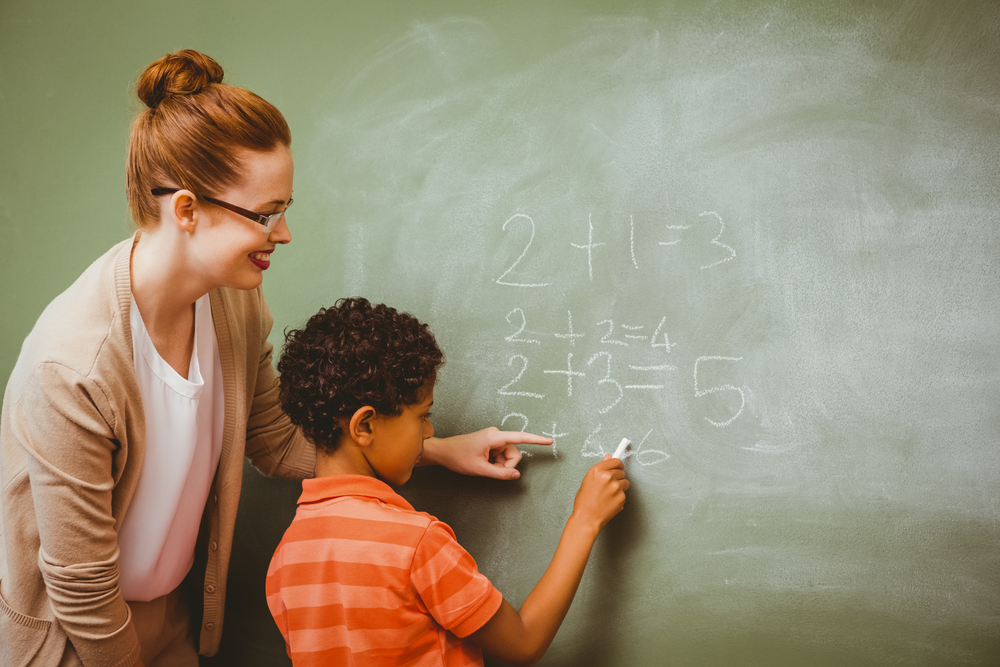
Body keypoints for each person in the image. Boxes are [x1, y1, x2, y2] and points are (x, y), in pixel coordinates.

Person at [0, 50, 551, 667]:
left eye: (284, 210)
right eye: (265, 215)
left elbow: (275, 442)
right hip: (73, 639)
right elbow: (80, 584)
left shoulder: (234, 305)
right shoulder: (72, 367)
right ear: (186, 210)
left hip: (168, 620)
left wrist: (438, 449)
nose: (283, 234)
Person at [266, 298, 629, 667]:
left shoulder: (285, 559)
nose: (430, 431)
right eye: (423, 415)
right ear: (365, 426)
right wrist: (585, 520)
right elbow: (523, 643)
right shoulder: (416, 544)